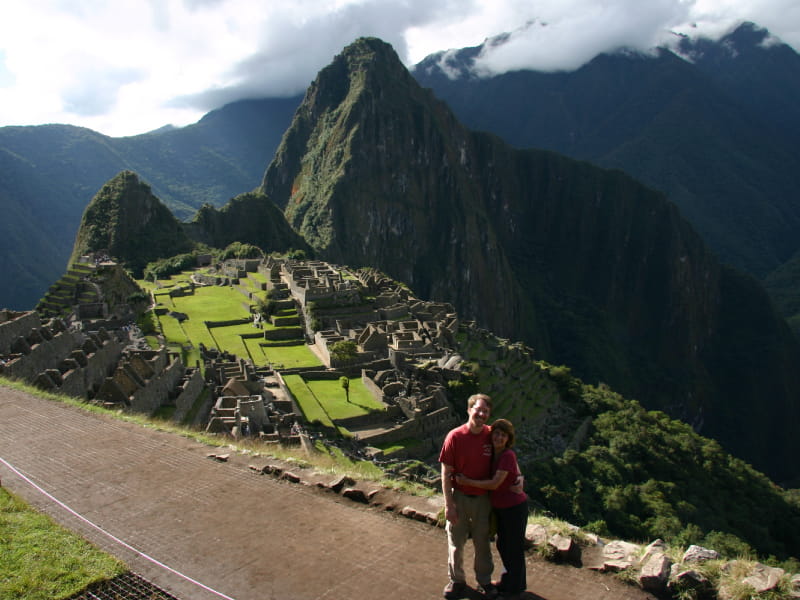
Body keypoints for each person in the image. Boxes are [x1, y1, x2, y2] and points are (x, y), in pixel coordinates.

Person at [456, 419, 528, 600]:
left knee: (513, 548)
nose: (499, 437)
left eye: (503, 435)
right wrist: (519, 475)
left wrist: (467, 482)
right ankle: (508, 582)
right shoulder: (494, 453)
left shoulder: (506, 455)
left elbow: (495, 483)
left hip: (514, 508)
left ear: (508, 439)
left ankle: (515, 590)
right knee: (503, 546)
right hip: (501, 508)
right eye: (496, 434)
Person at [439, 393, 499, 600]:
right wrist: (449, 505)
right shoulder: (455, 437)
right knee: (456, 541)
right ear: (469, 409)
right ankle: (457, 581)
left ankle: (484, 581)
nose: (481, 414)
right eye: (478, 409)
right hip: (460, 497)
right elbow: (446, 473)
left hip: (483, 499)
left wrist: (517, 477)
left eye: (485, 411)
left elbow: (506, 458)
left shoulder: (492, 436)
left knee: (483, 542)